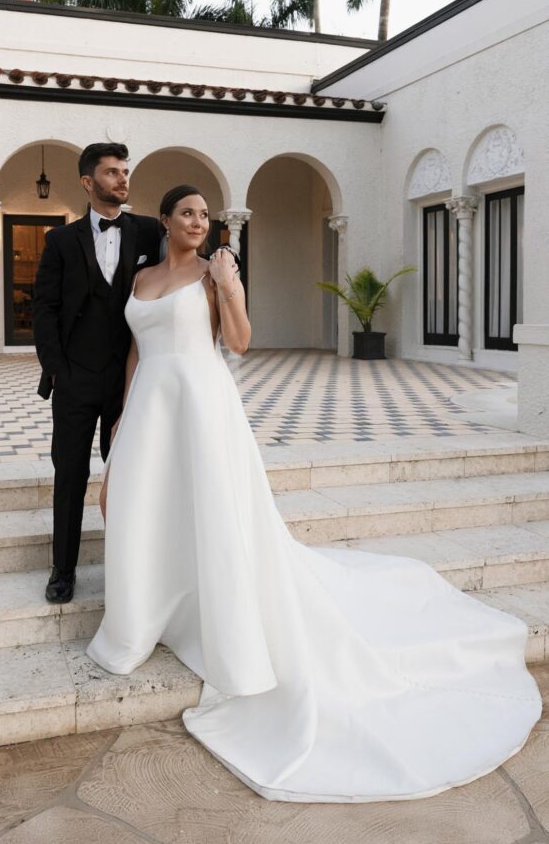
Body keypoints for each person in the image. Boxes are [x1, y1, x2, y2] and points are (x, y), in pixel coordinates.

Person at [85, 184, 542, 804]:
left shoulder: (214, 272)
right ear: (164, 220)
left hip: (201, 405)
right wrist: (122, 415)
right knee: (141, 509)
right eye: (187, 213)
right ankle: (150, 611)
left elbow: (238, 343)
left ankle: (212, 613)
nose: (198, 221)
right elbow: (137, 353)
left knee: (212, 513)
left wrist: (228, 284)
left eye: (205, 214)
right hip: (148, 407)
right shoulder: (141, 279)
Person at [32, 142, 163, 604]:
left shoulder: (149, 232)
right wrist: (57, 370)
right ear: (88, 182)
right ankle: (63, 570)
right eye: (112, 172)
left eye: (125, 171)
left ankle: (130, 570)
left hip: (130, 379)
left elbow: (192, 251)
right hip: (74, 379)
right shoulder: (60, 241)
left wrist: (227, 256)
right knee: (69, 474)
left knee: (127, 473)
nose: (122, 178)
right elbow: (44, 308)